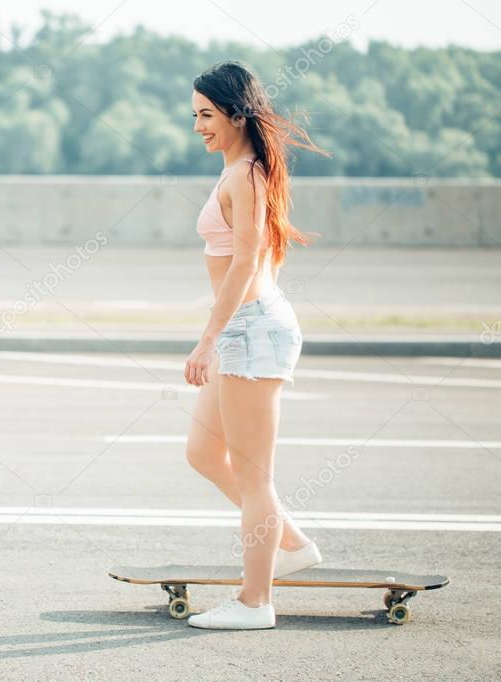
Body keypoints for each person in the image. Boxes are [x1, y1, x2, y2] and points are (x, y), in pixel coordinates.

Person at [182, 60, 331, 630]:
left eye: (208, 114)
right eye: (194, 115)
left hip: (250, 329)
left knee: (253, 476)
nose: (198, 125)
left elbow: (245, 261)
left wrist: (208, 340)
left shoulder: (245, 175)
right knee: (203, 453)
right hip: (246, 328)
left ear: (237, 114)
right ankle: (291, 545)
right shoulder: (239, 171)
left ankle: (255, 602)